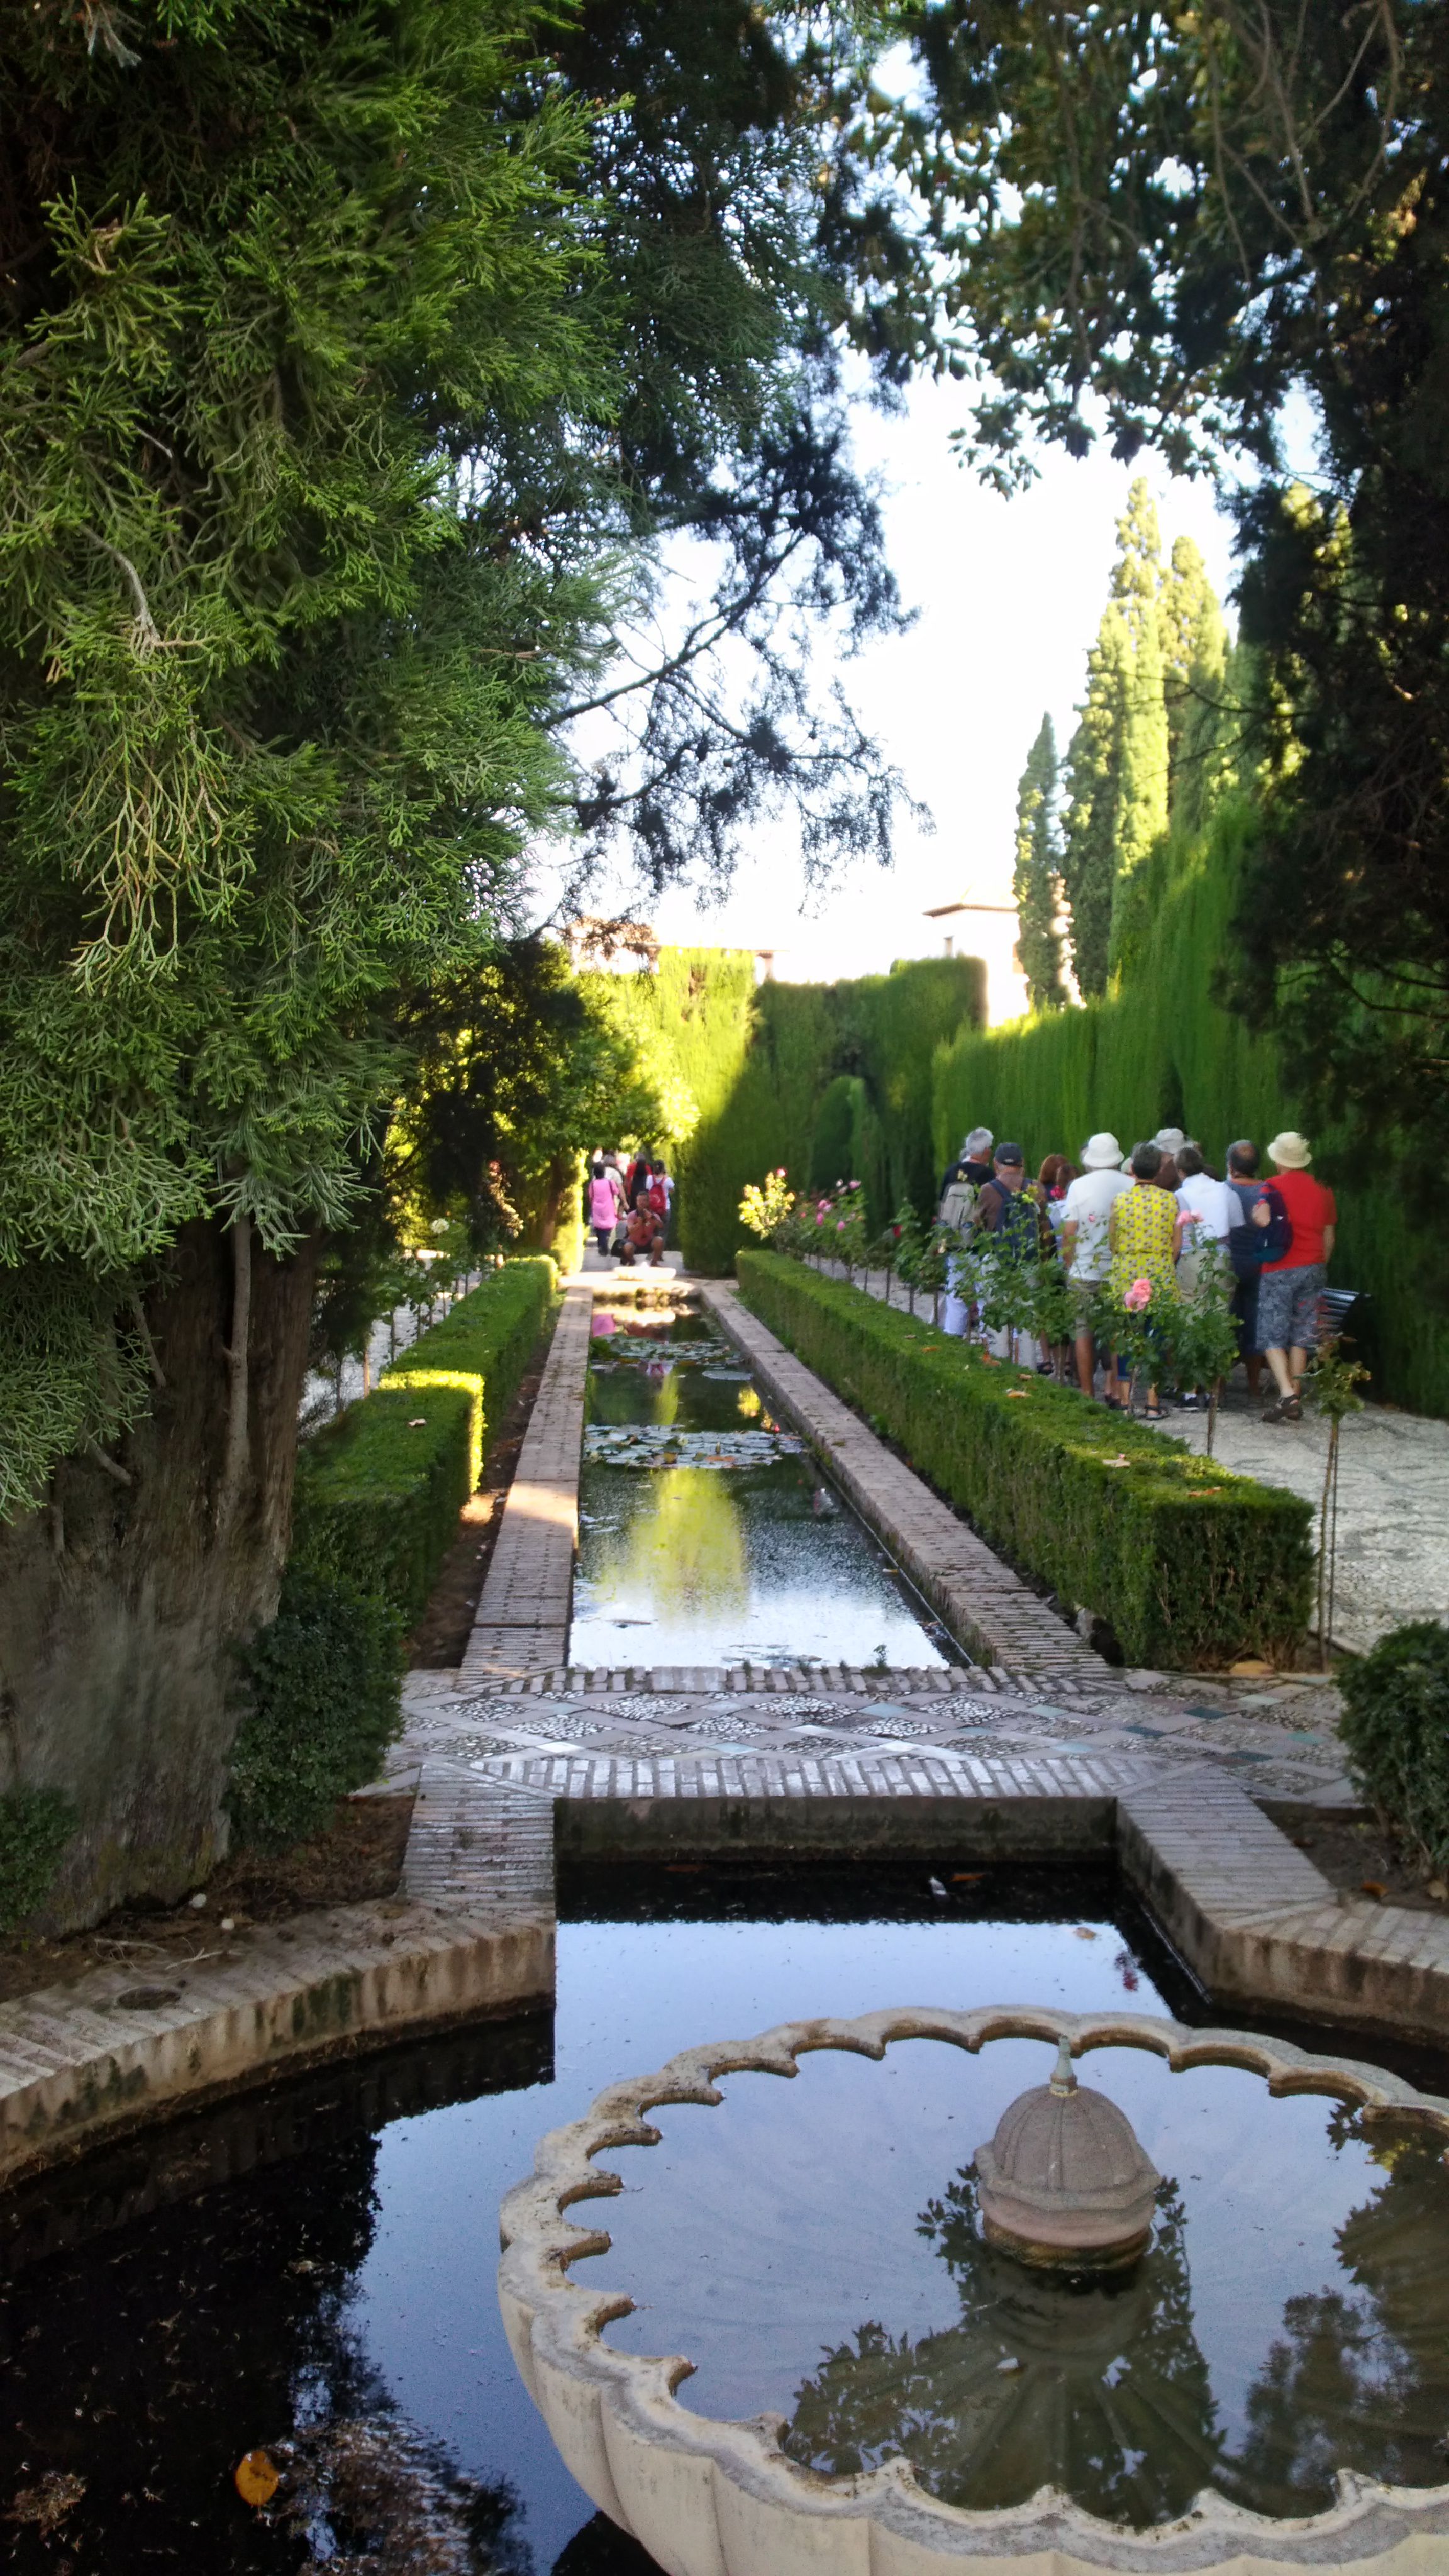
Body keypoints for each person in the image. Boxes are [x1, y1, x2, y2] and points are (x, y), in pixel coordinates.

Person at [1253, 1131, 1337, 1423]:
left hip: (1280, 1268)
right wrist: (1318, 1263)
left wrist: (1256, 1215)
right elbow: (1329, 1234)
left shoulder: (1271, 1186)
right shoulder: (1323, 1188)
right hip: (1314, 1266)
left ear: (1279, 1160)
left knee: (1271, 1332)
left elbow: (1263, 1219)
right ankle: (1295, 1397)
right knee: (1302, 1334)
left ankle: (1287, 1393)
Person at [1106, 1141, 1183, 1418]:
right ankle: (1152, 1402)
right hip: (1160, 1273)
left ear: (1132, 1168)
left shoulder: (1120, 1201)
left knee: (1126, 1336)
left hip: (1126, 1273)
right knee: (1156, 1337)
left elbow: (1112, 1242)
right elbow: (1176, 1245)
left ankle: (1126, 1401)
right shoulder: (1170, 1200)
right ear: (1159, 1169)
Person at [1059, 1131, 1132, 1402]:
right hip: (1118, 1269)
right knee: (1117, 1330)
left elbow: (1069, 1232)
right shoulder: (1129, 1184)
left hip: (1084, 1268)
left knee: (1082, 1332)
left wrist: (1070, 1264)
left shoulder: (1078, 1186)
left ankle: (1087, 1391)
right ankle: (1114, 1388)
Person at [938, 1126, 995, 1335]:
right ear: (986, 1150)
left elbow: (941, 1206)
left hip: (953, 1242)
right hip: (979, 1245)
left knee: (956, 1296)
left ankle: (952, 1339)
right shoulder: (986, 1174)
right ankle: (989, 1344)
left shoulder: (952, 1171)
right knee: (984, 1296)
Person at [1224, 1139, 1269, 1399]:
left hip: (1229, 1263)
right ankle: (1253, 1385)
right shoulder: (1267, 1191)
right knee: (1255, 1323)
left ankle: (1220, 1383)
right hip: (1259, 1264)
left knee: (1225, 1321)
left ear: (1231, 1166)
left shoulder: (1223, 1190)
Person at [619, 1185, 665, 1266]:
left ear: (648, 1202)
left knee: (659, 1240)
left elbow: (661, 1226)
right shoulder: (632, 1215)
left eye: (644, 1201)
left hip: (648, 1242)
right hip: (634, 1243)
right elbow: (629, 1229)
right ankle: (631, 1261)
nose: (641, 1203)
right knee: (627, 1247)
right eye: (639, 1201)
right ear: (636, 1202)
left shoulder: (653, 1215)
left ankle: (654, 1262)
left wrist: (652, 1218)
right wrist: (638, 1224)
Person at [586, 1158, 620, 1260]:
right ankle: (604, 1246)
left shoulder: (593, 1184)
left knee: (599, 1228)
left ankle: (602, 1246)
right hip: (608, 1207)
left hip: (597, 1208)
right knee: (607, 1227)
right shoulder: (609, 1183)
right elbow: (616, 1192)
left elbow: (590, 1196)